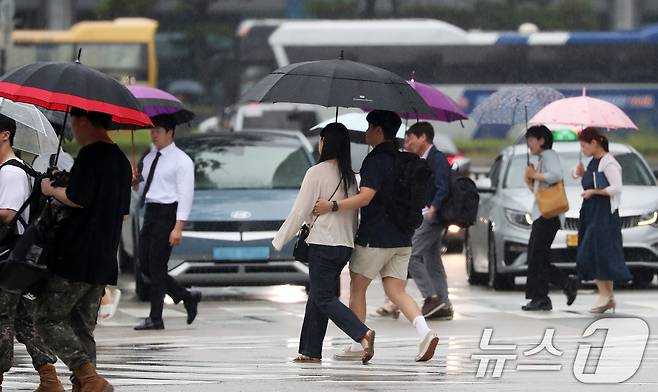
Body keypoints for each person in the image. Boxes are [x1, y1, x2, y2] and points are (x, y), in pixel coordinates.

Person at [315, 110, 439, 362]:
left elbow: (366, 197)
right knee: (396, 290)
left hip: (375, 237)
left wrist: (333, 206)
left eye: (370, 128)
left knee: (357, 287)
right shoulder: (405, 159)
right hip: (403, 238)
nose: (367, 133)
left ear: (379, 131)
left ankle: (359, 342)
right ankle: (424, 332)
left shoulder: (376, 160)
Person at [37, 107, 132, 391]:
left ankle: (88, 377)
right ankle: (85, 385)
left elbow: (77, 198)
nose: (73, 129)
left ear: (85, 121)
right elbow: (122, 211)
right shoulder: (121, 161)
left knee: (46, 318)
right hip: (104, 257)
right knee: (81, 325)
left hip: (76, 254)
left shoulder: (91, 155)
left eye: (76, 122)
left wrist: (50, 189)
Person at [273, 123, 376, 364]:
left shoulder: (316, 172)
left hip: (323, 244)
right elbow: (353, 215)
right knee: (318, 297)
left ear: (323, 142)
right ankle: (310, 351)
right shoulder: (351, 177)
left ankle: (362, 333)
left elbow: (299, 212)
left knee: (323, 297)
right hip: (344, 246)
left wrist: (279, 240)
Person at [0, 114, 61, 391]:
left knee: (3, 320)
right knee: (23, 319)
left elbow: (9, 214)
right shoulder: (12, 168)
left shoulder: (10, 172)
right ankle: (50, 377)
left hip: (8, 257)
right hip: (13, 258)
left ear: (5, 135)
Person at [134, 114, 201, 331]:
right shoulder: (149, 157)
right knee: (145, 264)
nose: (154, 135)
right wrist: (135, 181)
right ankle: (186, 296)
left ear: (170, 132)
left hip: (168, 213)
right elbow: (144, 190)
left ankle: (156, 317)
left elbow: (186, 195)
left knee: (157, 265)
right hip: (151, 212)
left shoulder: (182, 161)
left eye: (158, 131)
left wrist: (178, 227)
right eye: (152, 131)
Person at [573, 127, 631, 314]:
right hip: (590, 212)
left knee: (598, 252)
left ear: (594, 143)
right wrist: (581, 174)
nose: (582, 150)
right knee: (594, 252)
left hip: (604, 213)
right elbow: (590, 180)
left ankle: (605, 296)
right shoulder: (593, 162)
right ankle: (607, 297)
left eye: (584, 145)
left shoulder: (609, 163)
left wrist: (594, 192)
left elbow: (616, 187)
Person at [522, 125, 578, 311]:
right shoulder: (542, 159)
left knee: (536, 257)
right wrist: (530, 180)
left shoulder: (549, 155)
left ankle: (547, 294)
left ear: (542, 141)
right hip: (543, 214)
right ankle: (550, 292)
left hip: (548, 215)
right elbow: (541, 191)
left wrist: (535, 175)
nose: (529, 144)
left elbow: (556, 175)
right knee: (538, 257)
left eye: (531, 140)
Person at [404, 122, 453, 320]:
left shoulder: (437, 158)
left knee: (411, 255)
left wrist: (434, 207)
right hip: (426, 214)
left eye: (412, 138)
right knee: (433, 261)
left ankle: (431, 297)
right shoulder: (422, 158)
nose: (409, 142)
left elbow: (443, 186)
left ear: (423, 137)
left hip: (432, 217)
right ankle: (444, 304)